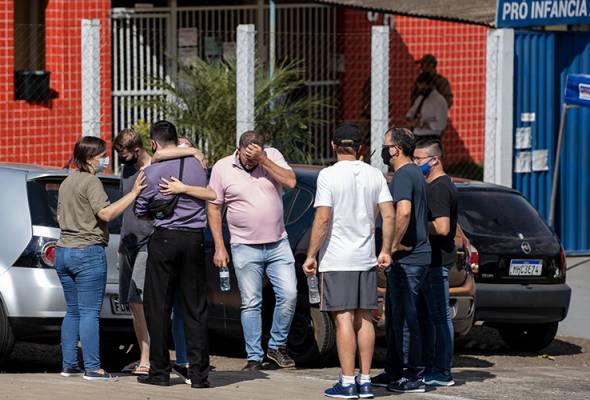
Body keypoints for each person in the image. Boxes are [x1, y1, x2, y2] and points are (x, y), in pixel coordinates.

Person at [302, 124, 395, 399]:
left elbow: (323, 217)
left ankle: (346, 381)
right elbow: (388, 215)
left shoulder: (328, 175)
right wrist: (386, 249)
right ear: (361, 148)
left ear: (333, 146)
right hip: (365, 257)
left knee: (343, 319)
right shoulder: (375, 174)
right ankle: (365, 381)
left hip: (337, 259)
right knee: (365, 317)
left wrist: (310, 255)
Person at [55, 136, 145, 381]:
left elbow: (60, 217)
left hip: (64, 251)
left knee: (72, 311)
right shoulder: (91, 181)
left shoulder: (67, 181)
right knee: (89, 313)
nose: (106, 159)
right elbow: (105, 213)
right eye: (102, 155)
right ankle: (93, 368)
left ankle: (69, 365)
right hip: (87, 252)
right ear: (90, 158)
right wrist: (134, 193)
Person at [208, 131, 298, 371]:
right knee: (251, 302)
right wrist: (219, 245)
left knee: (289, 294)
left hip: (278, 242)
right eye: (248, 158)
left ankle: (277, 346)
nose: (251, 163)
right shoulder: (222, 167)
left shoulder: (271, 156)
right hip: (243, 245)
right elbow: (214, 208)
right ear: (239, 149)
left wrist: (264, 160)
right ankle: (254, 357)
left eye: (255, 157)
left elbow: (291, 182)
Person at [134, 120, 215, 389]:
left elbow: (141, 208)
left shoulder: (153, 170)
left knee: (158, 307)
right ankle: (200, 376)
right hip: (194, 240)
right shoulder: (198, 164)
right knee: (195, 308)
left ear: (155, 143)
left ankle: (159, 371)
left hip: (165, 239)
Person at [372, 127, 431, 393]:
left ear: (396, 149)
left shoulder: (405, 175)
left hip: (409, 259)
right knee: (396, 316)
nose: (384, 150)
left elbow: (404, 213)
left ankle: (413, 374)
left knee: (406, 318)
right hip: (407, 259)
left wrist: (391, 247)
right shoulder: (411, 173)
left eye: (386, 146)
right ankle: (394, 370)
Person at [414, 139, 458, 387]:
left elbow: (442, 227)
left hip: (436, 261)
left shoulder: (439, 188)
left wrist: (416, 225)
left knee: (439, 317)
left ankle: (442, 371)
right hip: (431, 261)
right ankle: (430, 366)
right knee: (428, 317)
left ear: (435, 159)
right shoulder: (438, 184)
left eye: (419, 159)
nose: (416, 163)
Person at [112, 129, 153, 376]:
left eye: (124, 154)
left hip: (148, 242)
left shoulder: (155, 168)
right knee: (131, 303)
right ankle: (143, 355)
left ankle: (148, 358)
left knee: (139, 300)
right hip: (126, 243)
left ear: (137, 150)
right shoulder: (126, 170)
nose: (120, 159)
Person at [406, 72, 449, 138]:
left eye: (423, 88)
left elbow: (441, 124)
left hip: (430, 138)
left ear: (431, 85)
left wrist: (422, 125)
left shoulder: (439, 101)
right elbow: (411, 112)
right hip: (416, 135)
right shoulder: (420, 98)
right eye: (419, 88)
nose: (421, 90)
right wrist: (410, 120)